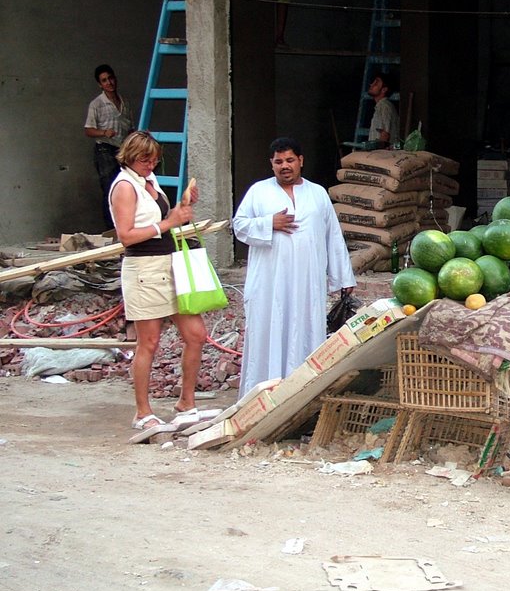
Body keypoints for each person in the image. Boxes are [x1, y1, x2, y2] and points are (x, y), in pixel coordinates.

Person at [232, 136, 356, 397]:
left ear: (300, 161)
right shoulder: (259, 191)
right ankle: (261, 395)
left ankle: (303, 394)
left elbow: (332, 234)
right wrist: (268, 223)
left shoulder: (317, 193)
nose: (284, 166)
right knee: (268, 328)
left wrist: (343, 277)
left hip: (307, 282)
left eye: (289, 160)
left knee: (305, 328)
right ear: (272, 164)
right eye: (278, 162)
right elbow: (239, 225)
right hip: (269, 282)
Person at [108, 131, 207, 432]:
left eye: (154, 160)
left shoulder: (148, 183)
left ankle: (186, 401)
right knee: (148, 342)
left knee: (196, 334)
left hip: (168, 263)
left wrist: (181, 208)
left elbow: (164, 221)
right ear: (129, 157)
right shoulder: (125, 186)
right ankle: (142, 410)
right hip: (144, 268)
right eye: (144, 160)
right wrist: (169, 222)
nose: (150, 165)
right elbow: (126, 235)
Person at [85, 64, 136, 228]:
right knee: (109, 190)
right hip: (105, 150)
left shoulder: (124, 102)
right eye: (104, 80)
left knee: (125, 188)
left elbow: (130, 127)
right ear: (100, 84)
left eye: (111, 78)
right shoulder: (97, 104)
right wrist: (103, 132)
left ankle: (125, 226)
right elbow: (88, 130)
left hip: (122, 150)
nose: (109, 83)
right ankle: (111, 229)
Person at [368, 72, 400, 147]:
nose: (371, 85)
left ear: (384, 90)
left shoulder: (385, 106)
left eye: (376, 84)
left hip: (383, 155)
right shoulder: (381, 106)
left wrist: (375, 155)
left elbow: (385, 135)